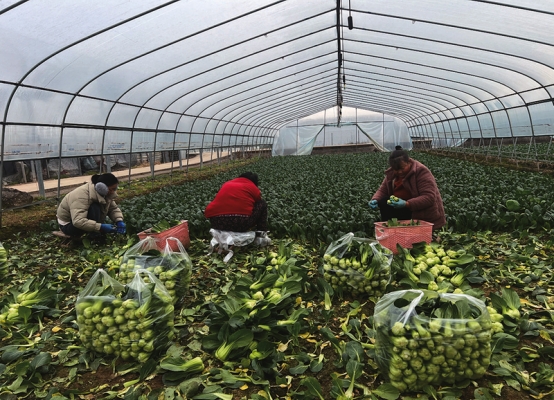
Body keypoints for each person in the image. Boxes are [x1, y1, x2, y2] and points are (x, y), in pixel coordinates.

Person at [368, 150, 446, 230]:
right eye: (396, 169)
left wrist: (407, 204)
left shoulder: (421, 171)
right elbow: (383, 190)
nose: (399, 172)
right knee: (384, 202)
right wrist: (375, 199)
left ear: (408, 162)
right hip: (401, 208)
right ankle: (391, 230)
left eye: (402, 168)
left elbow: (429, 197)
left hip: (419, 212)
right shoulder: (392, 174)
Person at [56, 173, 126, 241]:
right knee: (94, 207)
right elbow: (78, 221)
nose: (113, 192)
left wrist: (119, 220)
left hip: (78, 221)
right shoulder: (81, 196)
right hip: (68, 225)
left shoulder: (104, 194)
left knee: (97, 206)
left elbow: (113, 208)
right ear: (102, 187)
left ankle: (95, 233)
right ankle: (94, 236)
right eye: (111, 189)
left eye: (115, 189)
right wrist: (100, 227)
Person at [204, 172, 268, 233]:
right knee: (262, 203)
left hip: (217, 222)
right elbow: (258, 201)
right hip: (240, 222)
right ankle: (261, 232)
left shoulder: (227, 184)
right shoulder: (252, 186)